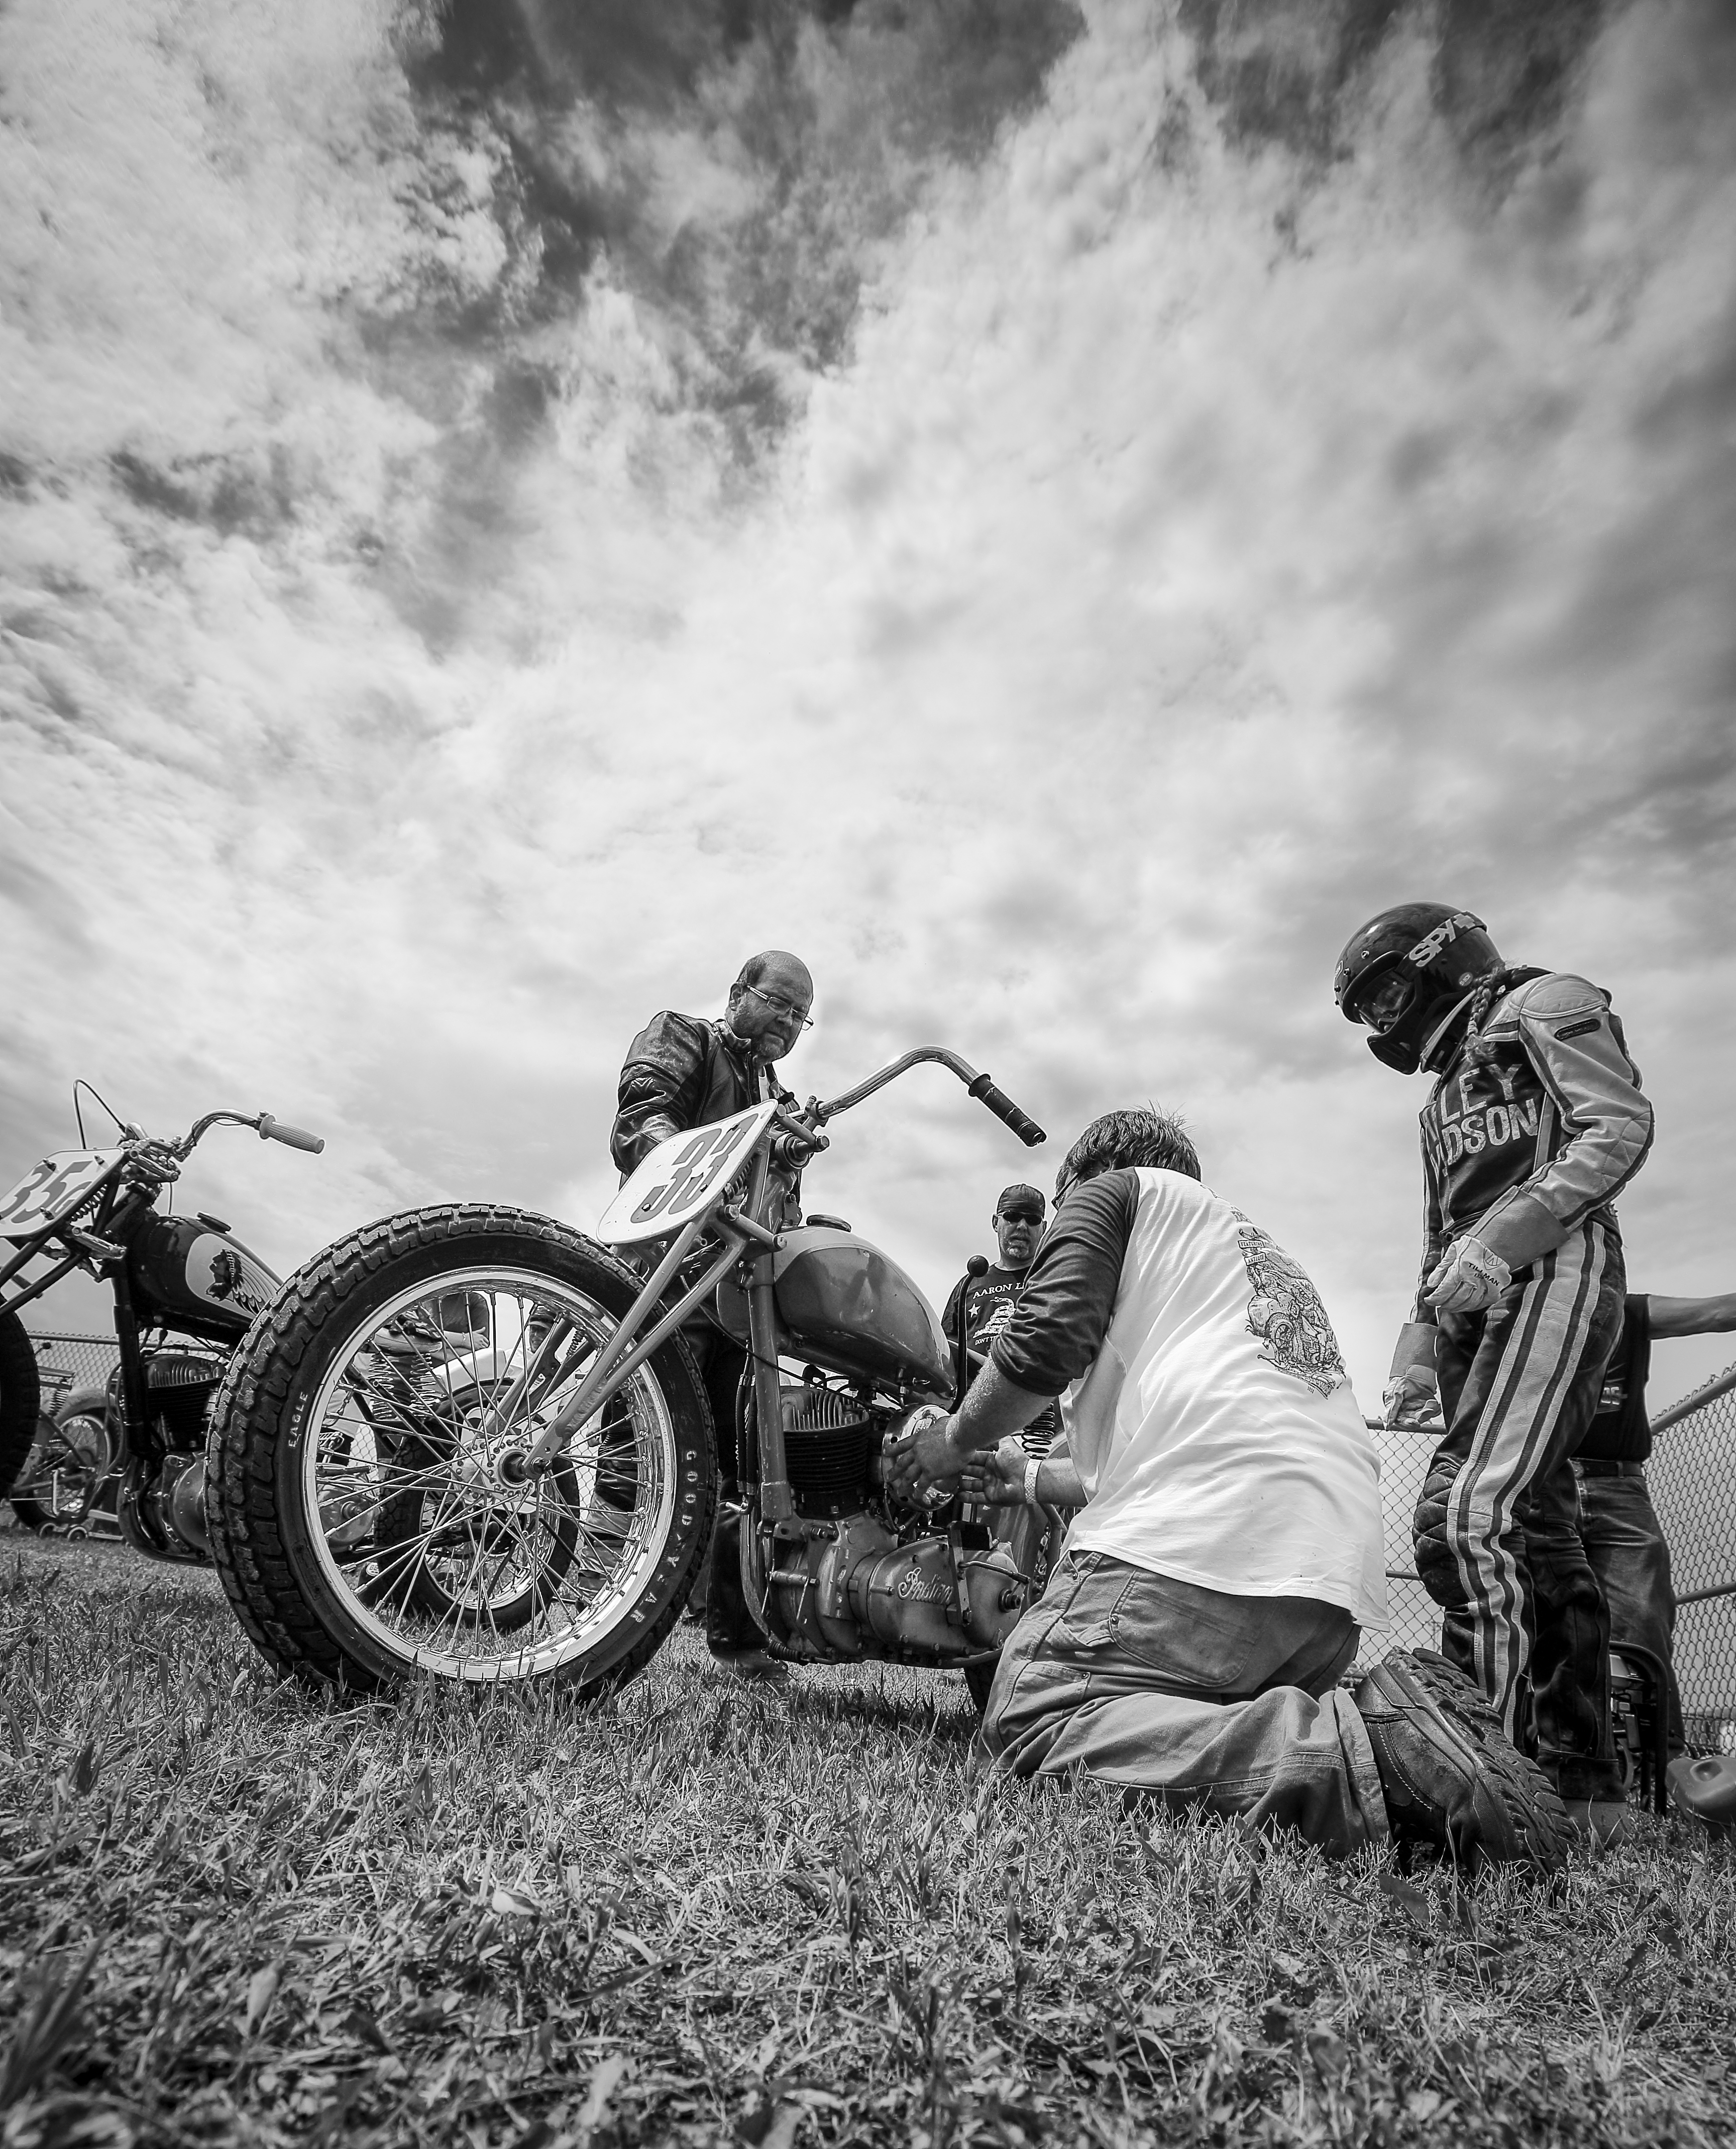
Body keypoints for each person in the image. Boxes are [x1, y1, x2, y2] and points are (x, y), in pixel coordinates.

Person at [887, 1107, 1568, 1871]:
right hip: (1322, 1595)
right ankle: (1368, 1721)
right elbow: (1152, 1452)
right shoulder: (1241, 1257)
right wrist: (1027, 1476)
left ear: (1083, 1177)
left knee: (1036, 1708)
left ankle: (1376, 1757)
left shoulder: (1114, 1193)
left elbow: (1045, 1339)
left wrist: (951, 1441)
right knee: (1174, 1719)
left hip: (1206, 1558)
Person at [1334, 903, 1653, 1848]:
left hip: (1554, 1267)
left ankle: (1479, 1785)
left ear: (1439, 957)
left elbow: (1618, 1126)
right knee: (1542, 1531)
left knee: (1470, 1517)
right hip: (1477, 1297)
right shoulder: (1440, 1100)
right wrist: (1420, 1354)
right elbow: (1439, 1236)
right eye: (1367, 1010)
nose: (1384, 1021)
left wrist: (1508, 1239)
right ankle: (1579, 1790)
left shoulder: (1545, 1002)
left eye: (1387, 992)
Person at [610, 950, 814, 1672]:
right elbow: (644, 1117)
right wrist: (699, 1181)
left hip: (737, 1302)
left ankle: (735, 1635)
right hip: (665, 1279)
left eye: (799, 1017)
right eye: (779, 1004)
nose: (787, 1024)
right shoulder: (684, 1037)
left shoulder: (777, 1097)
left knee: (750, 1465)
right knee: (641, 1459)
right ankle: (603, 1605)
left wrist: (794, 1177)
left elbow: (779, 1204)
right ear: (738, 993)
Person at [1573, 1289, 1736, 1824]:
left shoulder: (1627, 1309)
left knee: (1644, 1624)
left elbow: (1714, 1311)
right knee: (1537, 1622)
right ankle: (1537, 1763)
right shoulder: (1518, 1306)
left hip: (1618, 1482)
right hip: (1537, 1483)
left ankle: (1671, 1776)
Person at [940, 1184, 1060, 1450]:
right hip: (969, 1425)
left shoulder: (1052, 1278)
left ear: (1044, 1227)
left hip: (1033, 1432)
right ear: (996, 1222)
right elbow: (945, 1352)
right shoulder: (969, 1283)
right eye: (1012, 1217)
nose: (1021, 1227)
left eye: (1032, 1219)